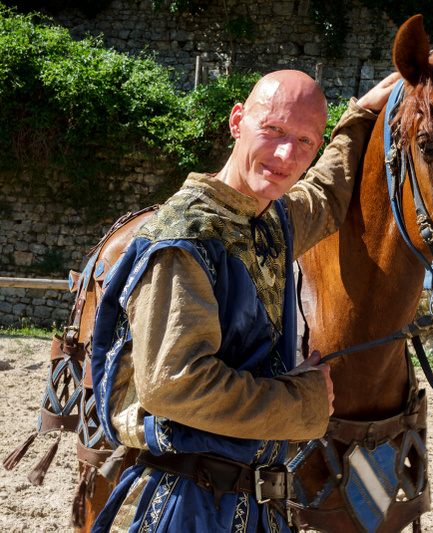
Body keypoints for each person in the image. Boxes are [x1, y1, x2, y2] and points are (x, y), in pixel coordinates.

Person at [89, 69, 401, 532]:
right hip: (191, 507)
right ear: (237, 121)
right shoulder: (186, 237)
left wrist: (360, 115)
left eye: (304, 141)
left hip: (261, 507)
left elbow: (326, 194)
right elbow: (174, 383)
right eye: (272, 130)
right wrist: (301, 405)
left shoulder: (267, 222)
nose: (284, 155)